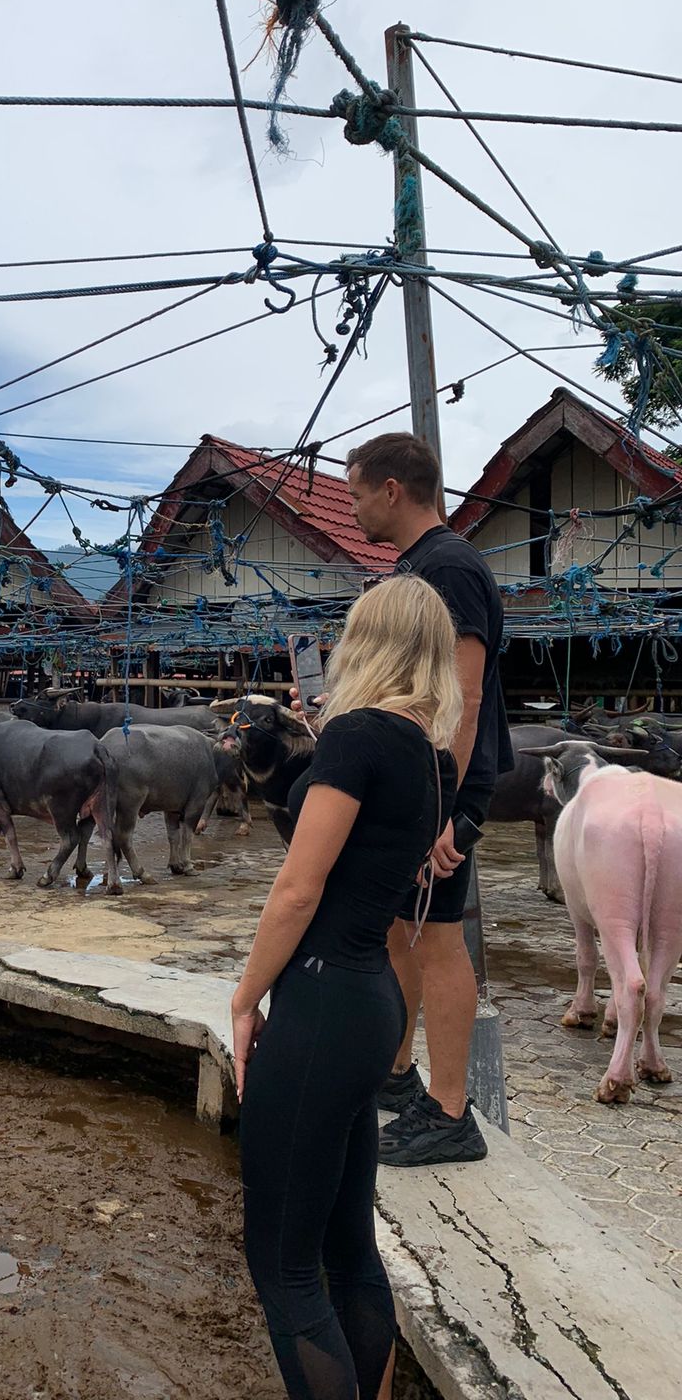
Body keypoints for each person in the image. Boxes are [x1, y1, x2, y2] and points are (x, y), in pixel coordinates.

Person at [234, 575, 459, 1400]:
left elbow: (299, 889)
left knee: (284, 1267)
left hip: (321, 1004)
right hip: (371, 1004)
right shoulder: (432, 757)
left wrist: (244, 997)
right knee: (349, 1250)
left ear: (367, 643)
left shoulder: (358, 739)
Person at [344, 432, 513, 1166]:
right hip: (424, 781)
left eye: (356, 495)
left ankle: (449, 1112)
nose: (353, 510)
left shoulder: (448, 567)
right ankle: (397, 1071)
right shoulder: (417, 567)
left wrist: (442, 808)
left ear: (391, 491)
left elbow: (463, 697)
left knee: (439, 939)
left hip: (445, 788)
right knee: (401, 929)